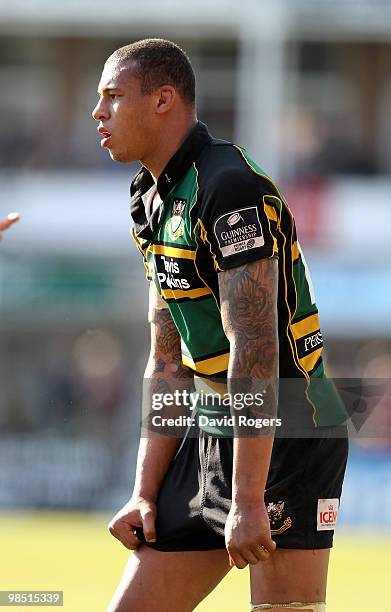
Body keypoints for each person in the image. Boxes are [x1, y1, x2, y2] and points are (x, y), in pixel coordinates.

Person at [92, 39, 348, 612]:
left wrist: (249, 500)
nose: (98, 112)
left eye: (113, 96)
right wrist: (143, 491)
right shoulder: (148, 199)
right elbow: (166, 359)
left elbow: (254, 347)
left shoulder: (229, 187)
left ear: (164, 100)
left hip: (293, 426)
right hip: (214, 424)